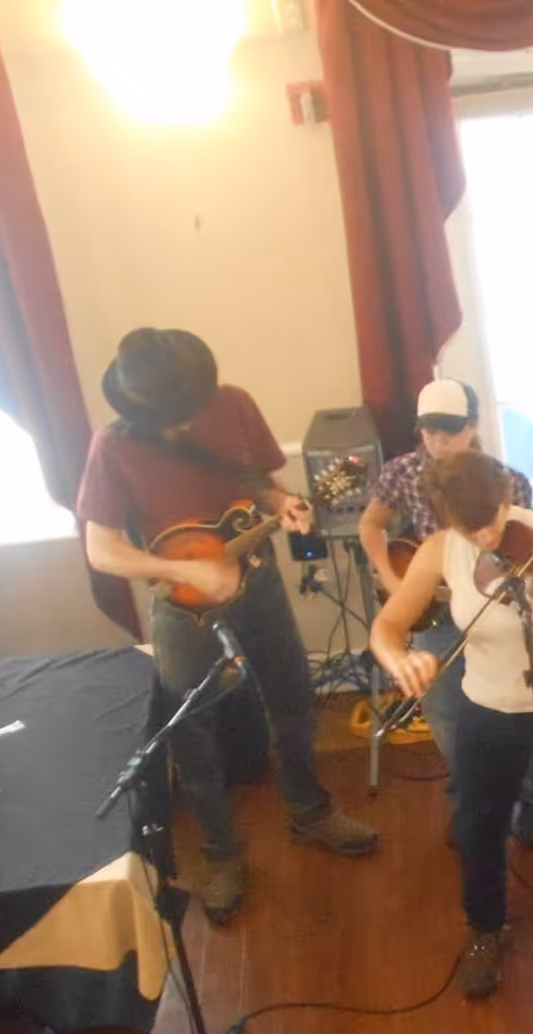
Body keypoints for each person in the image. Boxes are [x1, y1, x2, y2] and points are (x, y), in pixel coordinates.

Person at [77, 328, 378, 924]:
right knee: (193, 728)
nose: (185, 425)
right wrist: (178, 566)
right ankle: (221, 852)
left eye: (189, 412)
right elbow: (102, 550)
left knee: (292, 699)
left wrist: (284, 505)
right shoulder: (112, 447)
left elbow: (263, 486)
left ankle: (309, 809)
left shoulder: (233, 403)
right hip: (182, 606)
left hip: (259, 583)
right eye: (173, 419)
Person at [369, 450, 533, 1011]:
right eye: (471, 526)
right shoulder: (443, 549)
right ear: (447, 521)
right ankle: (486, 928)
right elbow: (387, 626)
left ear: (509, 498)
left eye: (493, 516)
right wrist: (399, 660)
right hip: (486, 708)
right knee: (478, 827)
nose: (487, 532)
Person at [356, 378, 533, 841]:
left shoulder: (506, 481)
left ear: (473, 427)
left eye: (449, 430)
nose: (438, 441)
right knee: (445, 711)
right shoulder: (401, 472)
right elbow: (371, 524)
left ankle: (532, 795)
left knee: (514, 704)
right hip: (432, 608)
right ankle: (473, 796)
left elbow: (524, 551)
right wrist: (389, 574)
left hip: (489, 608)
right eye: (429, 431)